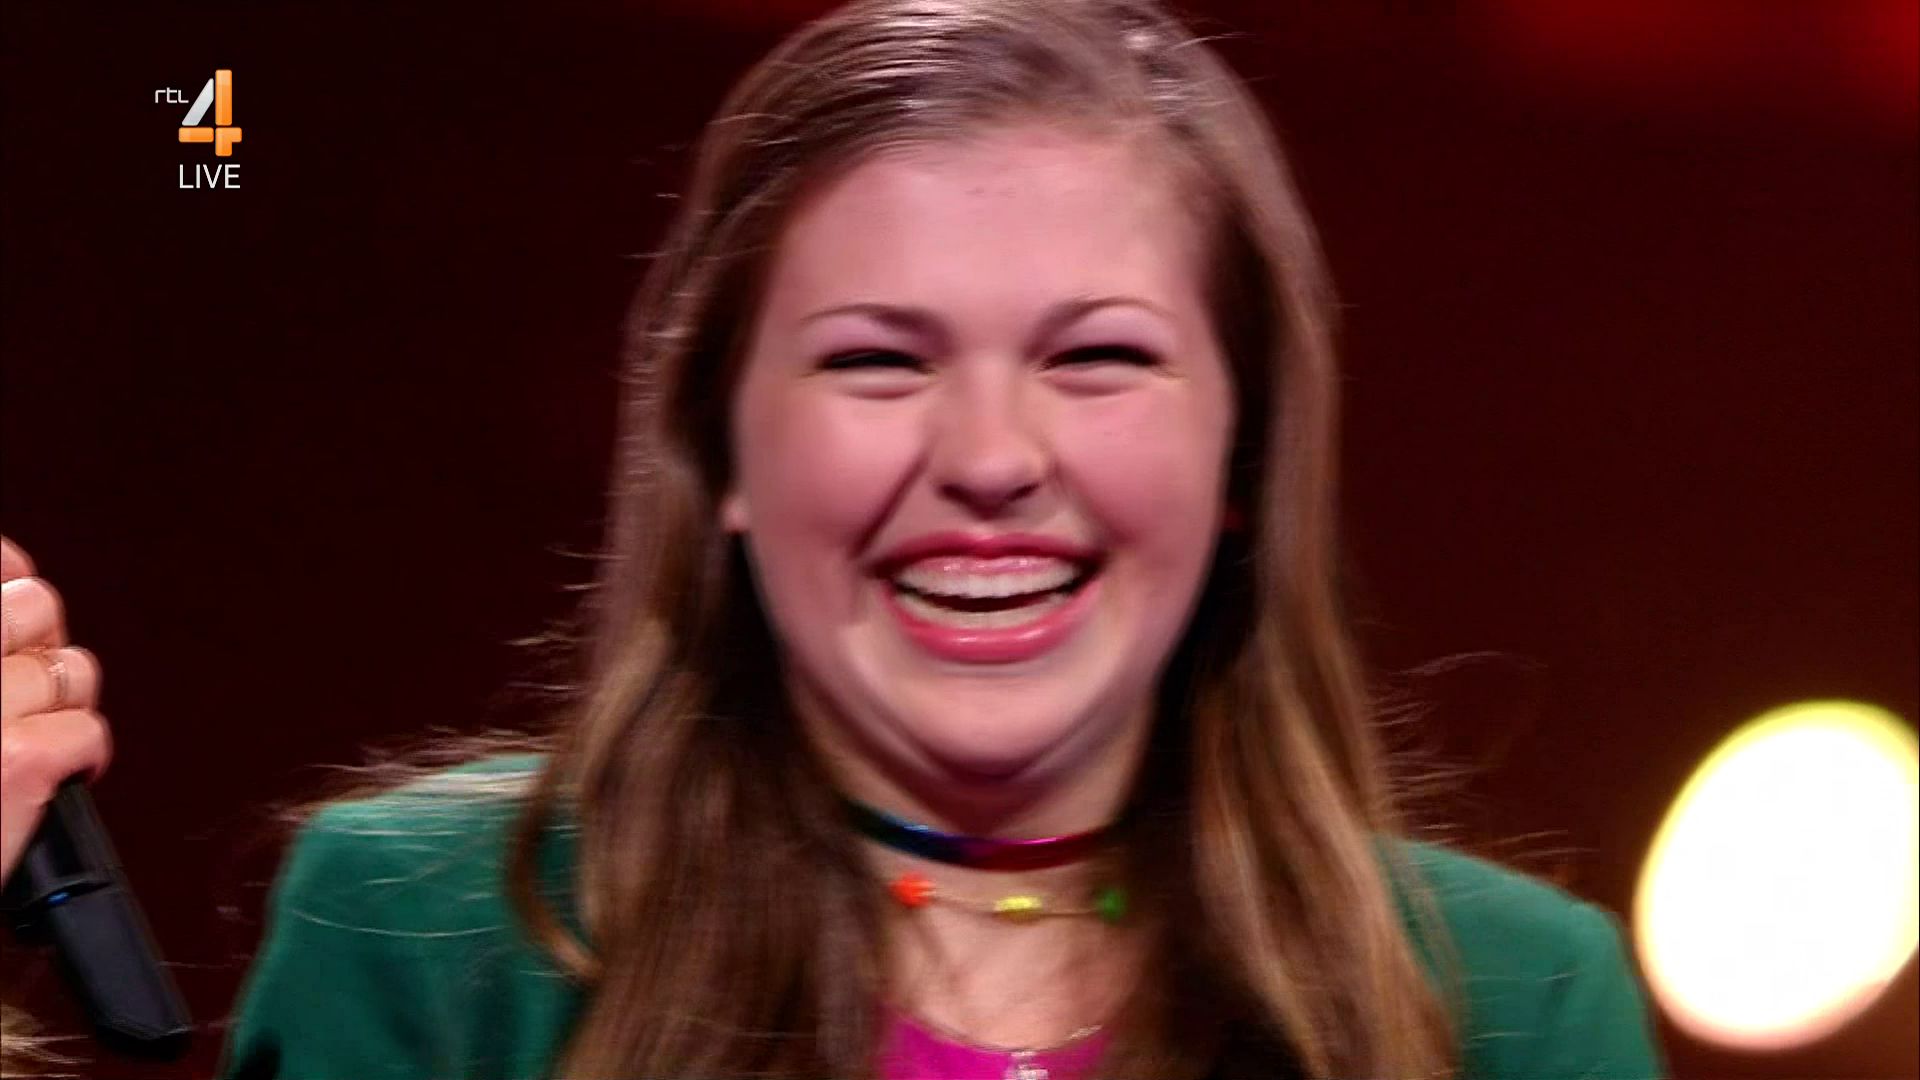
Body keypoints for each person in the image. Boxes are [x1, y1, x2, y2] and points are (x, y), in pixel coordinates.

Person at [1, 1, 1669, 1077]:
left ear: (1244, 451)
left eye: (1098, 357)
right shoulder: (422, 938)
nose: (993, 459)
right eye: (879, 362)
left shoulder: (1515, 1010)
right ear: (722, 449)